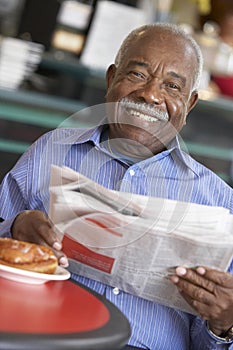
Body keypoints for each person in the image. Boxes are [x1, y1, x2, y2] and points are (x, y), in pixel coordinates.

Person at [0, 23, 233, 349]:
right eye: (137, 75)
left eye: (171, 86)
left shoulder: (221, 206)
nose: (151, 95)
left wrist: (224, 324)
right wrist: (15, 229)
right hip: (45, 339)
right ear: (111, 80)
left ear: (190, 105)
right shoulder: (51, 150)